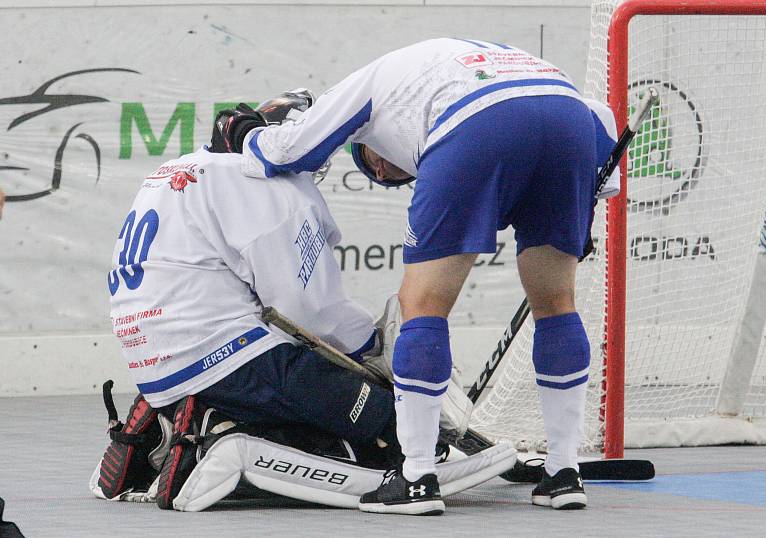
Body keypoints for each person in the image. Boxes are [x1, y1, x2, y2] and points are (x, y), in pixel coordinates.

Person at [215, 38, 620, 514]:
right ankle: (563, 473)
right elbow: (597, 116)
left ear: (369, 146)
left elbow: (286, 151)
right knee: (556, 302)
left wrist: (246, 134)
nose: (387, 169)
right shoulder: (457, 59)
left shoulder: (369, 82)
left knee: (422, 305)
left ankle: (416, 478)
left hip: (476, 124)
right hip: (567, 116)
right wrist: (593, 197)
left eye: (377, 165)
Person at [92, 92, 488, 511]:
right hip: (223, 356)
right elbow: (308, 310)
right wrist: (376, 353)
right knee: (383, 420)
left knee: (315, 390)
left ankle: (180, 422)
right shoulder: (265, 184)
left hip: (156, 366)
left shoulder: (178, 168)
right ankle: (216, 442)